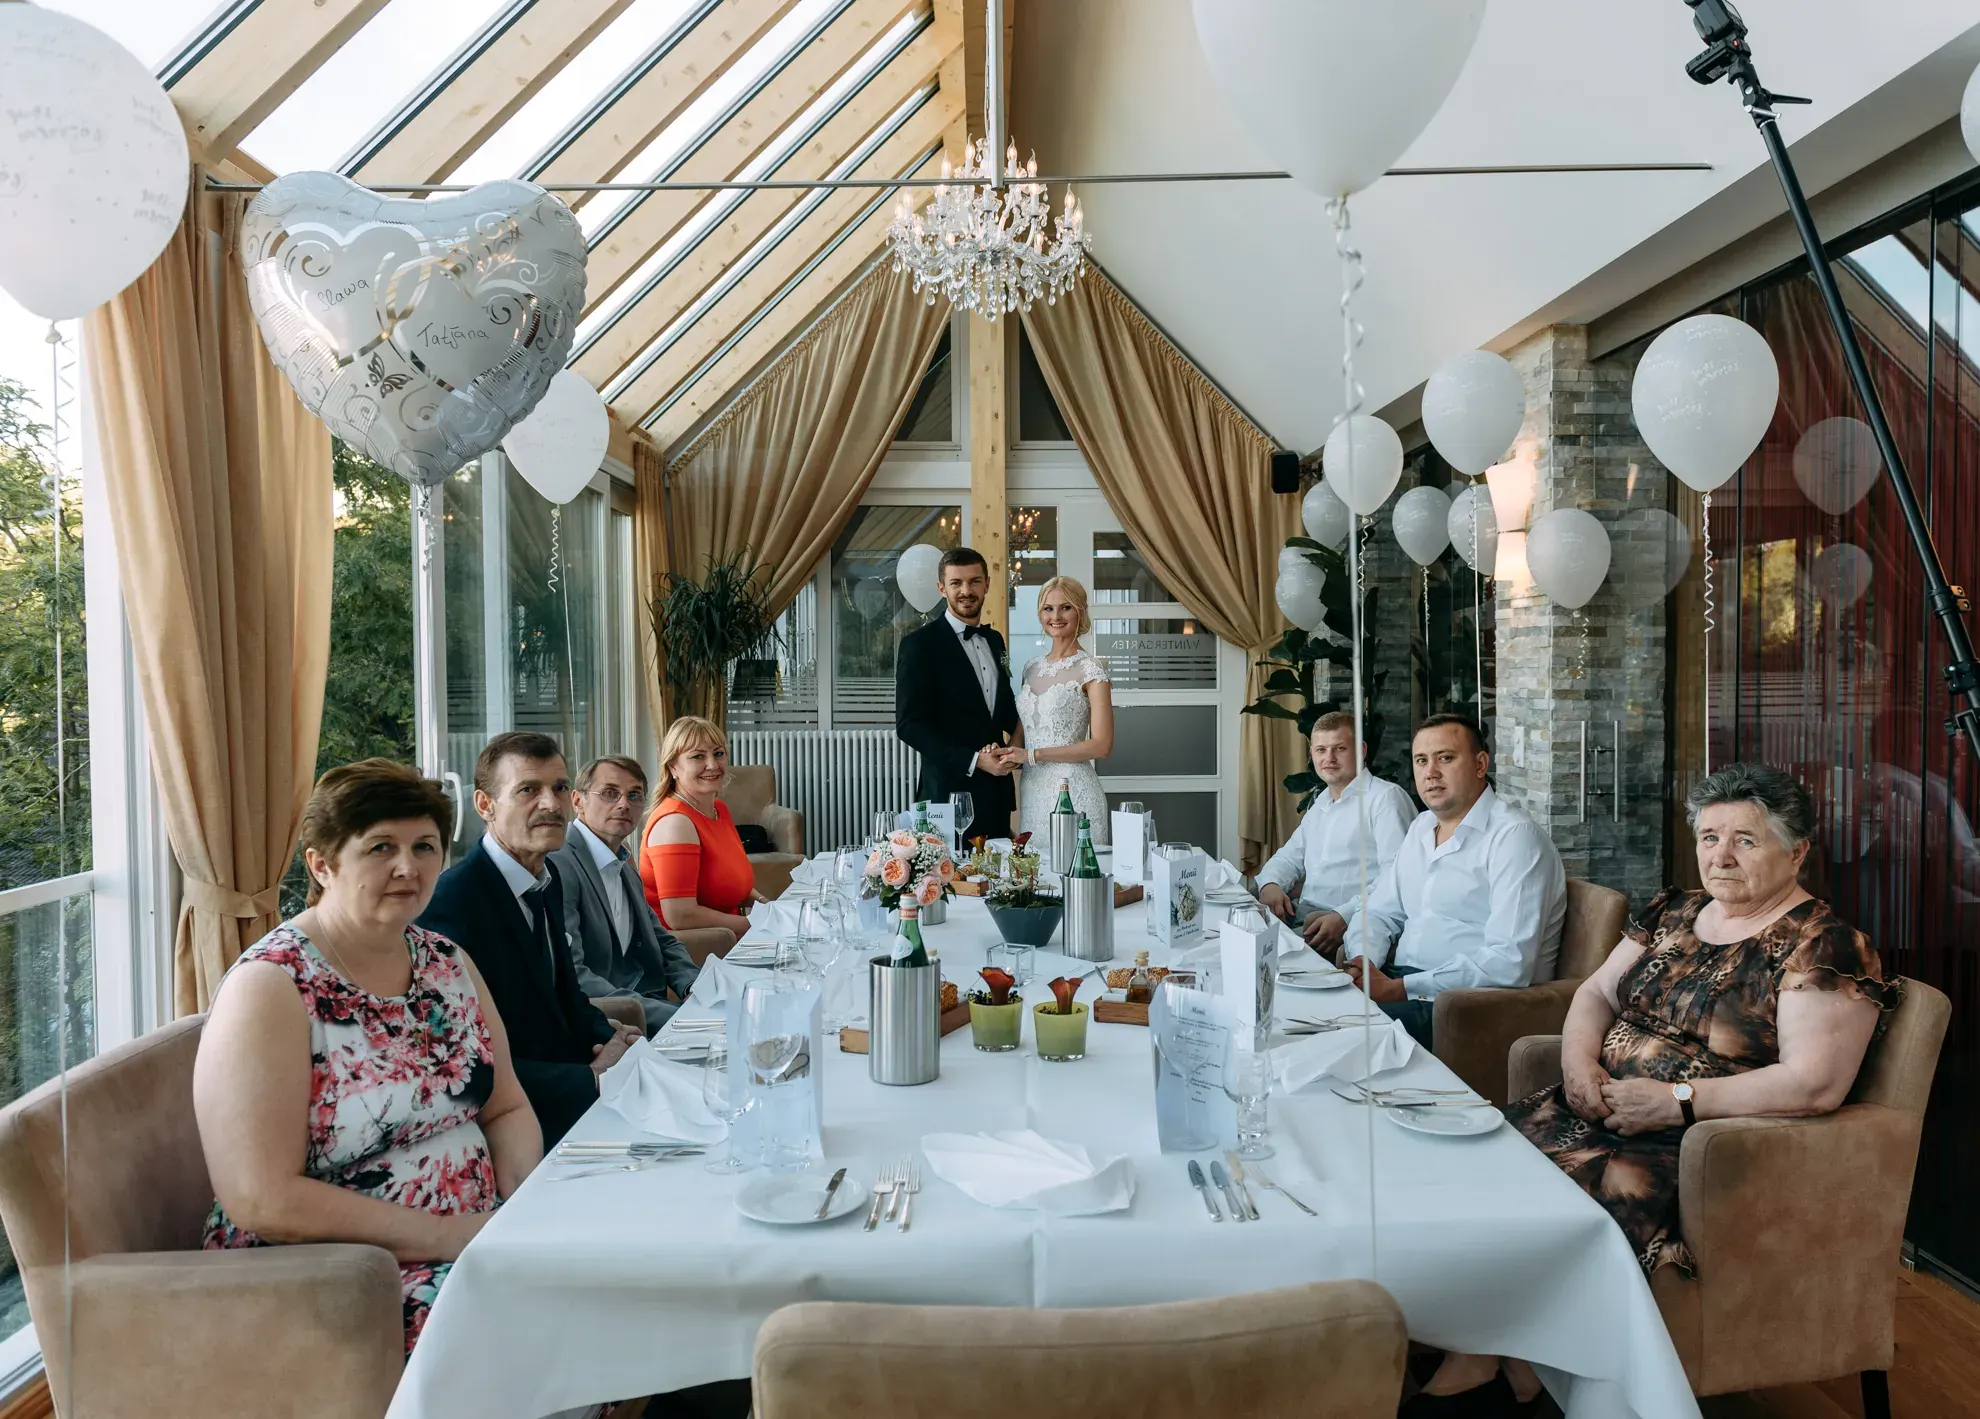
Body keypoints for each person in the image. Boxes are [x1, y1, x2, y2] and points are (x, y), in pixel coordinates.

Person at [1410, 764, 1897, 1413]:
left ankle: (1493, 1359)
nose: (1720, 854)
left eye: (1745, 840)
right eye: (1709, 836)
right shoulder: (1678, 908)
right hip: (1596, 1105)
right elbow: (1595, 992)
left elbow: (1814, 1083)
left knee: (1569, 1192)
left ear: (1797, 850)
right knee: (1470, 1158)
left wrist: (1679, 1101)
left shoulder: (1824, 943)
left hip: (1702, 1143)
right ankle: (1509, 1350)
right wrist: (1581, 1067)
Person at [194, 759, 541, 1355]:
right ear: (322, 864)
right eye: (381, 846)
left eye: (424, 846)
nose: (408, 866)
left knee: (604, 1276)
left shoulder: (447, 962)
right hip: (332, 1272)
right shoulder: (273, 987)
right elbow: (260, 1198)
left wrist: (524, 1211)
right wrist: (451, 1236)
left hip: (472, 1237)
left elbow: (505, 1107)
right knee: (527, 1321)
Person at [419, 732, 639, 1149]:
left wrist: (617, 1040)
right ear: (485, 805)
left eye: (558, 787)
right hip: (513, 1130)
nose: (551, 804)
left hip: (580, 1101)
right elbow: (461, 1064)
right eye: (528, 790)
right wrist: (591, 1078)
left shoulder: (546, 879)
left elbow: (563, 998)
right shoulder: (450, 905)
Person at [1336, 714, 1566, 1051]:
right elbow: (1380, 911)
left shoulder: (1514, 838)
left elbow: (1509, 962)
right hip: (1402, 981)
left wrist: (1399, 988)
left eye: (1445, 758)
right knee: (1305, 1017)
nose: (1430, 772)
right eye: (1421, 760)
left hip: (1464, 1007)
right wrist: (1365, 964)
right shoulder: (1420, 828)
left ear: (1480, 764)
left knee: (1336, 1037)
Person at [549, 754, 703, 1036]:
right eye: (609, 793)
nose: (623, 804)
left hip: (652, 1007)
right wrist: (681, 1017)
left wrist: (696, 987)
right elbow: (574, 975)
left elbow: (662, 940)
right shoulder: (558, 864)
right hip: (610, 1024)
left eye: (634, 795)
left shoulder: (622, 864)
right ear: (577, 801)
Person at [1256, 711, 1416, 953]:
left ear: (1361, 751)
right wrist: (1270, 884)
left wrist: (1344, 916)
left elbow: (1396, 879)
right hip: (1302, 915)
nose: (1328, 758)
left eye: (1339, 748)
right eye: (1321, 750)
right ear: (1311, 754)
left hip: (1344, 925)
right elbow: (1289, 857)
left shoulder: (1384, 800)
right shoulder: (1321, 801)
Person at [895, 546, 1022, 837]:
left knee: (999, 879)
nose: (966, 590)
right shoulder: (919, 645)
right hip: (946, 794)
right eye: (956, 583)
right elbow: (909, 725)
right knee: (949, 882)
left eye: (975, 581)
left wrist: (1013, 747)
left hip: (996, 794)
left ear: (987, 583)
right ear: (942, 588)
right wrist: (975, 760)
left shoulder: (995, 640)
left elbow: (1004, 708)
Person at [999, 575, 1115, 844]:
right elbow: (1024, 730)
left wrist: (1032, 755)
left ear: (1080, 611)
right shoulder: (1031, 668)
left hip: (1073, 790)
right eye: (1048, 609)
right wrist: (1007, 754)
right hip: (1032, 791)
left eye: (1066, 607)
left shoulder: (1092, 670)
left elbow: (1102, 745)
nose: (1056, 616)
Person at [641, 715, 760, 939]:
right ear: (673, 767)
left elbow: (729, 880)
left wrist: (769, 907)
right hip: (694, 950)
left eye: (718, 753)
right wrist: (756, 924)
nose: (713, 765)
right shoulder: (675, 823)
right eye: (698, 756)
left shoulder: (718, 810)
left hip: (729, 936)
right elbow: (679, 916)